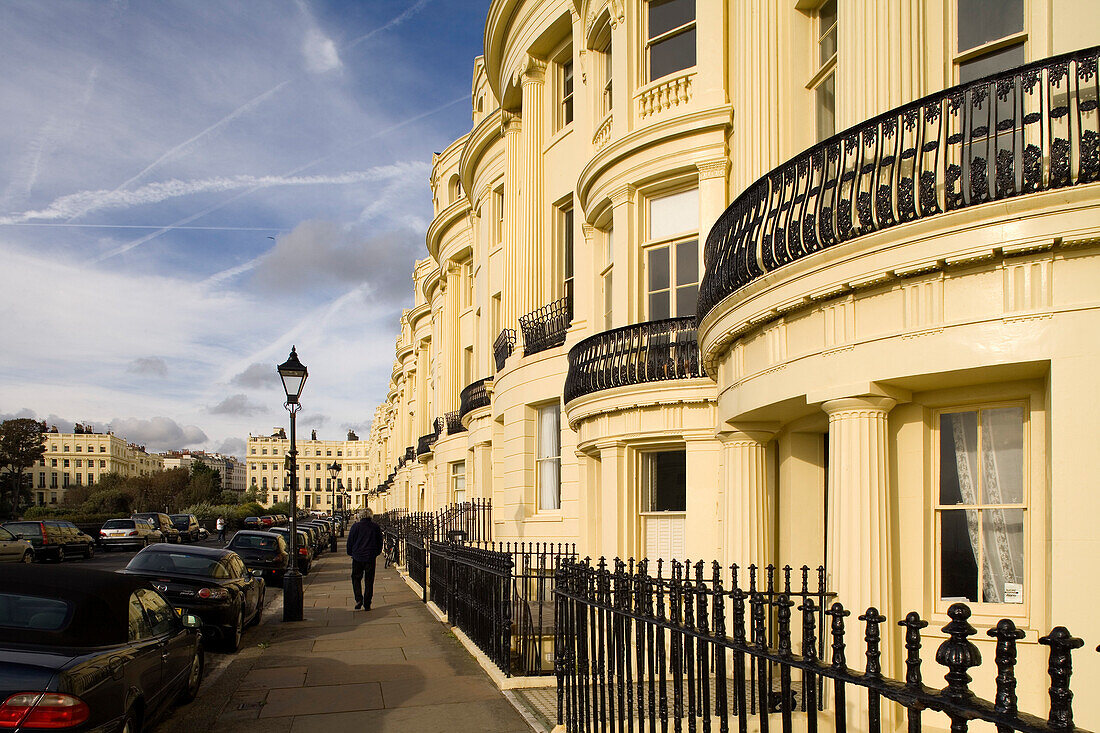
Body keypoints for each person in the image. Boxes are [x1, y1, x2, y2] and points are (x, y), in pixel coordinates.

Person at [346, 507, 382, 610]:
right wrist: (377, 552)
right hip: (370, 557)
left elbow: (350, 542)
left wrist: (350, 553)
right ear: (371, 516)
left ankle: (358, 599)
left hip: (357, 556)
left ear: (360, 516)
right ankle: (367, 603)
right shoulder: (375, 527)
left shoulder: (355, 527)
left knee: (356, 578)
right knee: (369, 580)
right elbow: (380, 541)